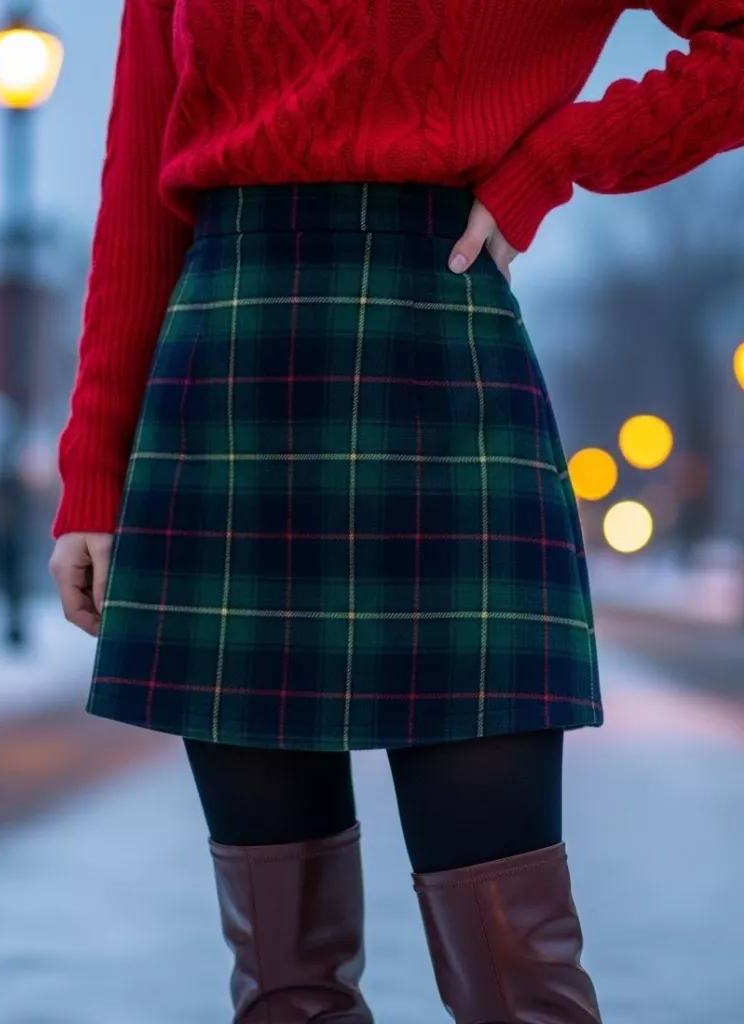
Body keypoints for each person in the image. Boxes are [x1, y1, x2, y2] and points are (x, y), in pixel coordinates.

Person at [48, 0, 743, 1020]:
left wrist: (557, 160)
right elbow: (136, 199)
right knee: (284, 986)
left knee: (518, 981)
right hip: (226, 369)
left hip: (439, 353)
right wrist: (94, 476)